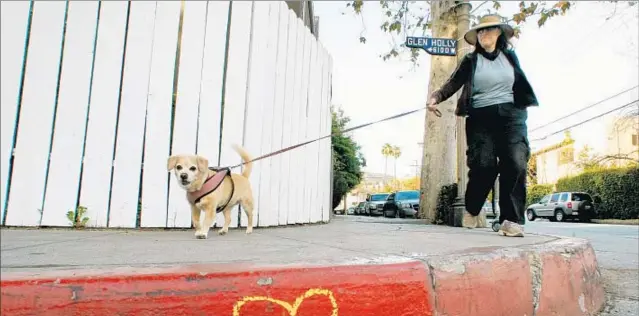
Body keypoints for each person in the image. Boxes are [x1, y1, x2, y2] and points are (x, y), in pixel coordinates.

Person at [426, 14, 538, 237]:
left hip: (511, 115)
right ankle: (473, 207)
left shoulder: (510, 57)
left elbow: (519, 83)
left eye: (489, 30)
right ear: (476, 37)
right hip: (480, 117)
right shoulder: (471, 60)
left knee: (515, 162)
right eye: (480, 31)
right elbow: (454, 81)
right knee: (483, 165)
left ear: (499, 33)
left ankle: (511, 220)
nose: (484, 34)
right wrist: (436, 97)